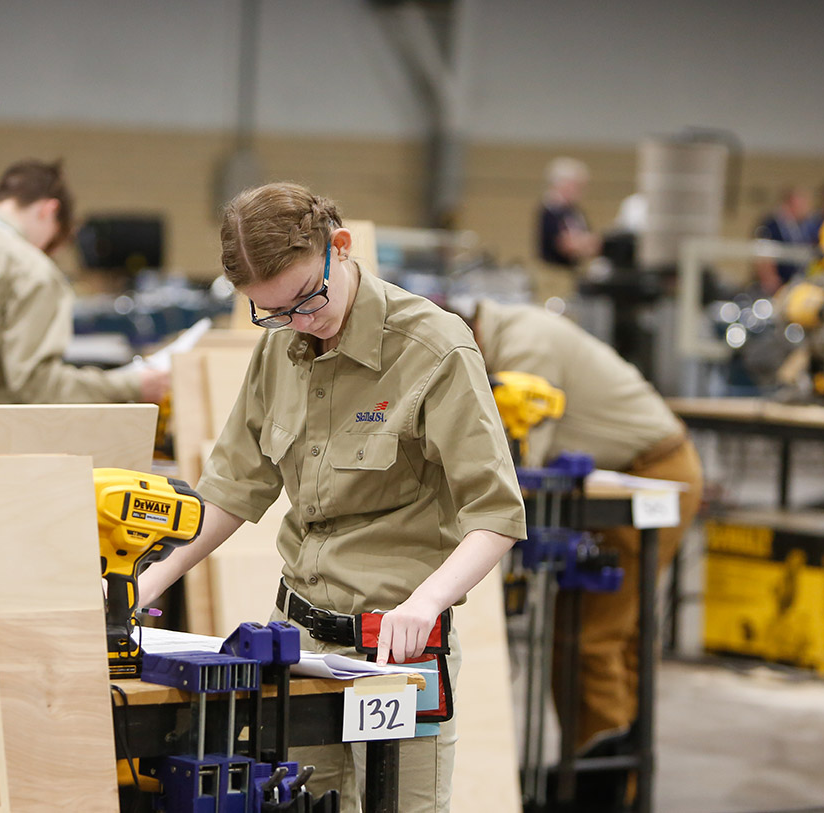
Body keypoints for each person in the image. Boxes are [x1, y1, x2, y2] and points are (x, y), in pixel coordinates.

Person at [137, 182, 526, 812]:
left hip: (398, 647)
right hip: (299, 646)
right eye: (273, 312)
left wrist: (425, 603)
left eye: (305, 299)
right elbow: (234, 489)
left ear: (339, 248)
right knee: (299, 803)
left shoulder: (434, 348)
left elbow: (497, 515)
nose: (298, 322)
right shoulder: (279, 349)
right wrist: (150, 578)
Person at [462, 297, 703, 808]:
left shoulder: (527, 345)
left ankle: (604, 791)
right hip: (623, 478)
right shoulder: (508, 334)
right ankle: (606, 773)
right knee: (598, 637)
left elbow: (518, 461)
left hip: (653, 476)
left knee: (593, 639)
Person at [0, 159, 169, 404]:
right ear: (49, 210)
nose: (46, 251)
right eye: (51, 243)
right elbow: (37, 386)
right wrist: (130, 386)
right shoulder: (29, 268)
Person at [535, 156, 601, 303]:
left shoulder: (575, 212)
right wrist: (582, 244)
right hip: (554, 275)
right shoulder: (551, 210)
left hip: (572, 273)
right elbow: (565, 244)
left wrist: (582, 243)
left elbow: (594, 243)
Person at [752, 186, 815, 294]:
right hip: (778, 283)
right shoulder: (771, 225)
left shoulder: (804, 226)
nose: (805, 209)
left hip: (797, 283)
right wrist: (770, 278)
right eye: (802, 205)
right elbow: (763, 254)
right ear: (790, 204)